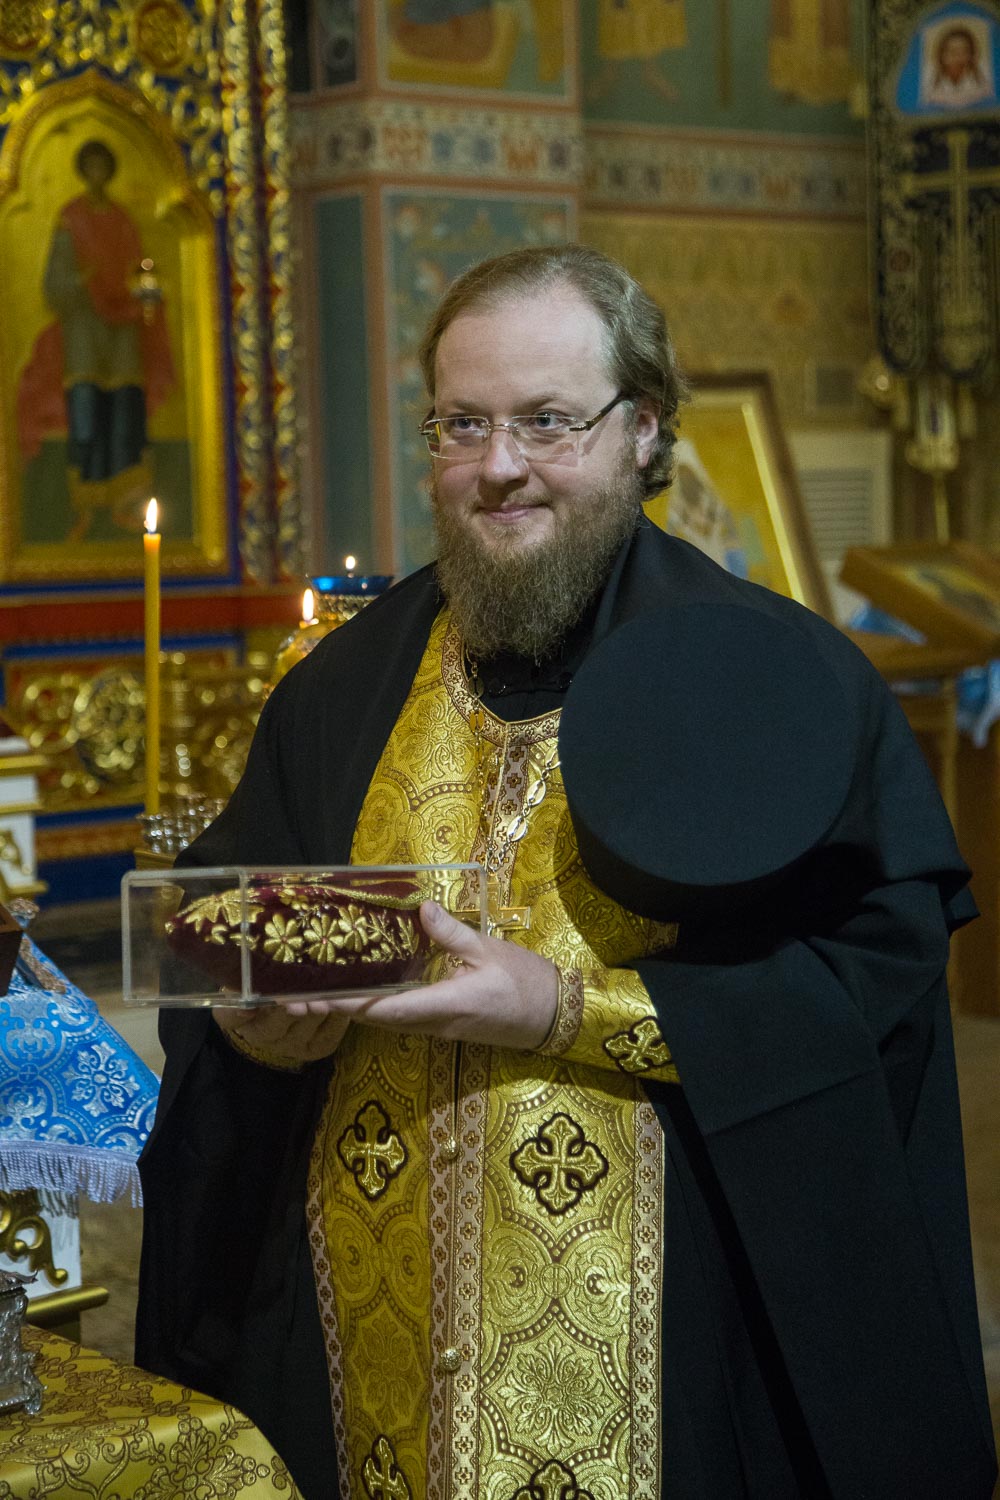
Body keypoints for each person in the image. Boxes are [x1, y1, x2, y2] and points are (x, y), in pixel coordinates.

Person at [137, 245, 998, 1500]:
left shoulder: (776, 681)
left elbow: (867, 991)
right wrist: (255, 1020)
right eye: (462, 423)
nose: (498, 465)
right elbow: (216, 930)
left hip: (673, 1333)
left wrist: (563, 1008)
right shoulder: (343, 688)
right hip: (365, 1318)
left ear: (642, 429)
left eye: (547, 421)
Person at [17, 139, 175, 539]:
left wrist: (140, 287)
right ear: (84, 171)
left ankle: (126, 503)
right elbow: (54, 283)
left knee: (124, 412)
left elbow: (139, 271)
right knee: (85, 413)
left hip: (123, 329)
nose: (97, 174)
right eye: (91, 166)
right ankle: (84, 507)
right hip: (85, 326)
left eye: (103, 166)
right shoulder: (71, 219)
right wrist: (80, 280)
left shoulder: (121, 220)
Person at [922, 23, 995, 107]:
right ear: (941, 54)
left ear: (972, 54)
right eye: (952, 52)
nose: (958, 57)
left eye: (964, 51)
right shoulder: (928, 74)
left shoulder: (985, 72)